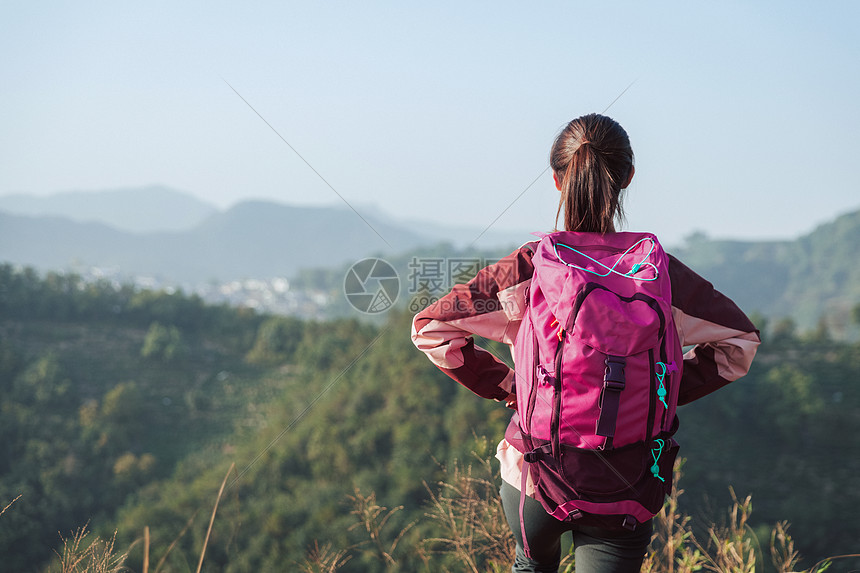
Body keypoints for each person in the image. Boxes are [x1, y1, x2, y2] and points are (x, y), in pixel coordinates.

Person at [411, 113, 760, 573]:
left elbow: (431, 330)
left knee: (530, 564)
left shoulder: (531, 268)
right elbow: (740, 345)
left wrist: (512, 387)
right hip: (630, 480)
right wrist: (663, 389)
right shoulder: (663, 277)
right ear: (628, 178)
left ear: (558, 180)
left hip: (537, 474)